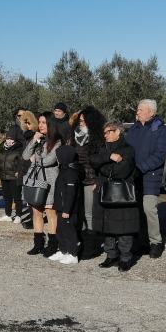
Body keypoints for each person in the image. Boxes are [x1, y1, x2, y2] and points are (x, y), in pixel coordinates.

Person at [90, 121, 139, 271]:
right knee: (107, 226)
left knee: (123, 226)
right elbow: (93, 160)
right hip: (104, 190)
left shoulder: (128, 149)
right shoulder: (103, 148)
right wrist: (109, 156)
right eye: (104, 132)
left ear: (118, 132)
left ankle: (125, 257)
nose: (105, 135)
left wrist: (103, 165)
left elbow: (122, 170)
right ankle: (111, 255)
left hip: (121, 192)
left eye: (108, 132)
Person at [125, 99, 166, 258]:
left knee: (149, 209)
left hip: (150, 176)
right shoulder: (133, 130)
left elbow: (159, 156)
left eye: (140, 110)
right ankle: (141, 241)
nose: (137, 112)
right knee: (137, 210)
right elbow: (127, 150)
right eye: (137, 109)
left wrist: (140, 167)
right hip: (133, 176)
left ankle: (156, 242)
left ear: (151, 112)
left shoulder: (161, 130)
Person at [22, 112, 61, 256]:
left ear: (51, 124)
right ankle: (38, 243)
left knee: (50, 212)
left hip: (50, 180)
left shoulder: (57, 141)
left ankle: (52, 244)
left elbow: (49, 161)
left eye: (44, 122)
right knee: (36, 211)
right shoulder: (39, 139)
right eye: (40, 122)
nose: (41, 125)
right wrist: (34, 140)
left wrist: (36, 160)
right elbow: (26, 156)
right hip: (36, 179)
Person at [74, 106, 107, 258]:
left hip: (90, 180)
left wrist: (96, 180)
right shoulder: (73, 136)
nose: (81, 124)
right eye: (79, 121)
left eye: (84, 122)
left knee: (89, 214)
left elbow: (100, 162)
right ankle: (80, 242)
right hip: (76, 179)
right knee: (78, 213)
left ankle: (91, 246)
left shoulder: (98, 139)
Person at [48, 145, 83, 265]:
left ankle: (73, 254)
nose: (57, 158)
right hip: (61, 207)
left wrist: (67, 210)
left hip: (69, 210)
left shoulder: (71, 173)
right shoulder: (64, 170)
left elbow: (71, 193)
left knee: (69, 231)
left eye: (58, 156)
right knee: (60, 230)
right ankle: (63, 250)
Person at [0, 128, 24, 222]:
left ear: (15, 139)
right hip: (3, 177)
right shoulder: (1, 150)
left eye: (11, 139)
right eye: (7, 138)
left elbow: (22, 163)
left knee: (17, 197)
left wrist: (19, 172)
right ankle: (8, 215)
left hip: (14, 177)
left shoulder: (19, 149)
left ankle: (18, 215)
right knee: (7, 198)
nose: (9, 140)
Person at [16, 110, 38, 228]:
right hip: (24, 167)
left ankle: (34, 220)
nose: (28, 125)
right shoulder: (25, 136)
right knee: (28, 196)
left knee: (34, 197)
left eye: (29, 123)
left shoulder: (36, 135)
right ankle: (32, 218)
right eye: (26, 123)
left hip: (33, 167)